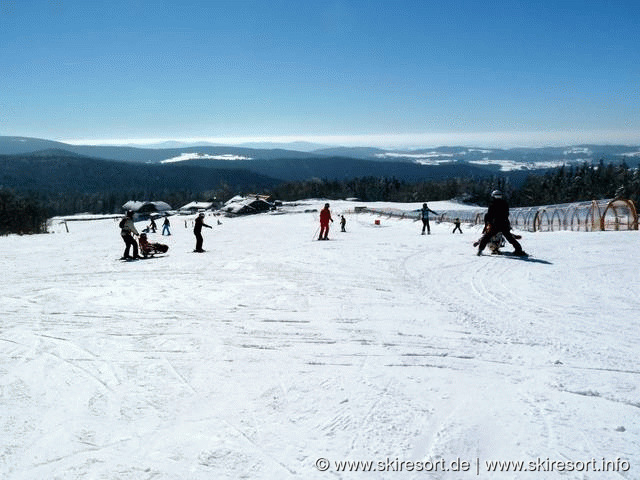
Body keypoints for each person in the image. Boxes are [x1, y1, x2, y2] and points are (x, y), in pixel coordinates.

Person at [476, 190, 526, 256]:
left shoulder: (492, 204)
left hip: (495, 224)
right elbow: (506, 214)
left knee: (487, 237)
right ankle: (519, 250)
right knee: (509, 237)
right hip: (504, 224)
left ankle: (480, 250)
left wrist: (488, 222)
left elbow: (489, 215)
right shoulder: (505, 203)